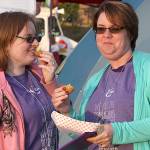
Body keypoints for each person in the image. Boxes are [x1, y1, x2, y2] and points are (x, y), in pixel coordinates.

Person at [51, 1, 150, 150]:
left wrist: (116, 132)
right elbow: (87, 135)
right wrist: (66, 111)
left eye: (115, 28)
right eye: (101, 29)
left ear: (130, 33)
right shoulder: (94, 80)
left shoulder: (146, 68)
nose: (106, 35)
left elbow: (113, 132)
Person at [0, 11, 58, 150]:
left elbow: (61, 116)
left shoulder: (40, 74)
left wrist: (50, 82)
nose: (36, 43)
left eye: (37, 37)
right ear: (6, 42)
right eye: (29, 38)